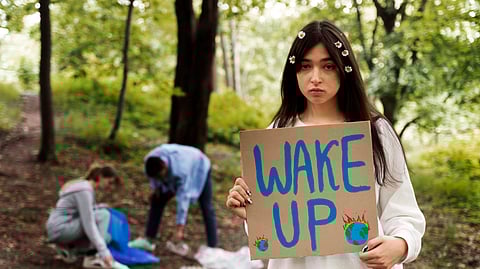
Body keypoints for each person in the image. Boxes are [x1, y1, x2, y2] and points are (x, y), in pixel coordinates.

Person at [225, 20, 425, 269]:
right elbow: (271, 243)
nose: (315, 78)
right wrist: (252, 215)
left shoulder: (376, 132)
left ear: (345, 69)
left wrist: (400, 244)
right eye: (305, 66)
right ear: (294, 72)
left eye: (328, 66)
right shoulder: (276, 134)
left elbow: (403, 213)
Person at [128, 144, 218, 255]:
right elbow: (152, 178)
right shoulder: (149, 160)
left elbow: (183, 200)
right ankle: (149, 238)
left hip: (199, 165)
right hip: (175, 170)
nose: (159, 179)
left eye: (160, 177)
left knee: (206, 206)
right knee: (157, 199)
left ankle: (213, 246)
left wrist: (179, 228)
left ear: (165, 167)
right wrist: (156, 188)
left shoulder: (181, 171)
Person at [46, 164, 129, 269]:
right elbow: (88, 224)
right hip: (61, 228)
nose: (109, 186)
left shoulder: (84, 187)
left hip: (59, 228)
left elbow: (81, 209)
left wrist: (98, 207)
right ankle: (92, 258)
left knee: (106, 237)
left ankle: (69, 249)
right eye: (109, 182)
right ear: (101, 177)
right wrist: (104, 252)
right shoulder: (85, 191)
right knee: (103, 216)